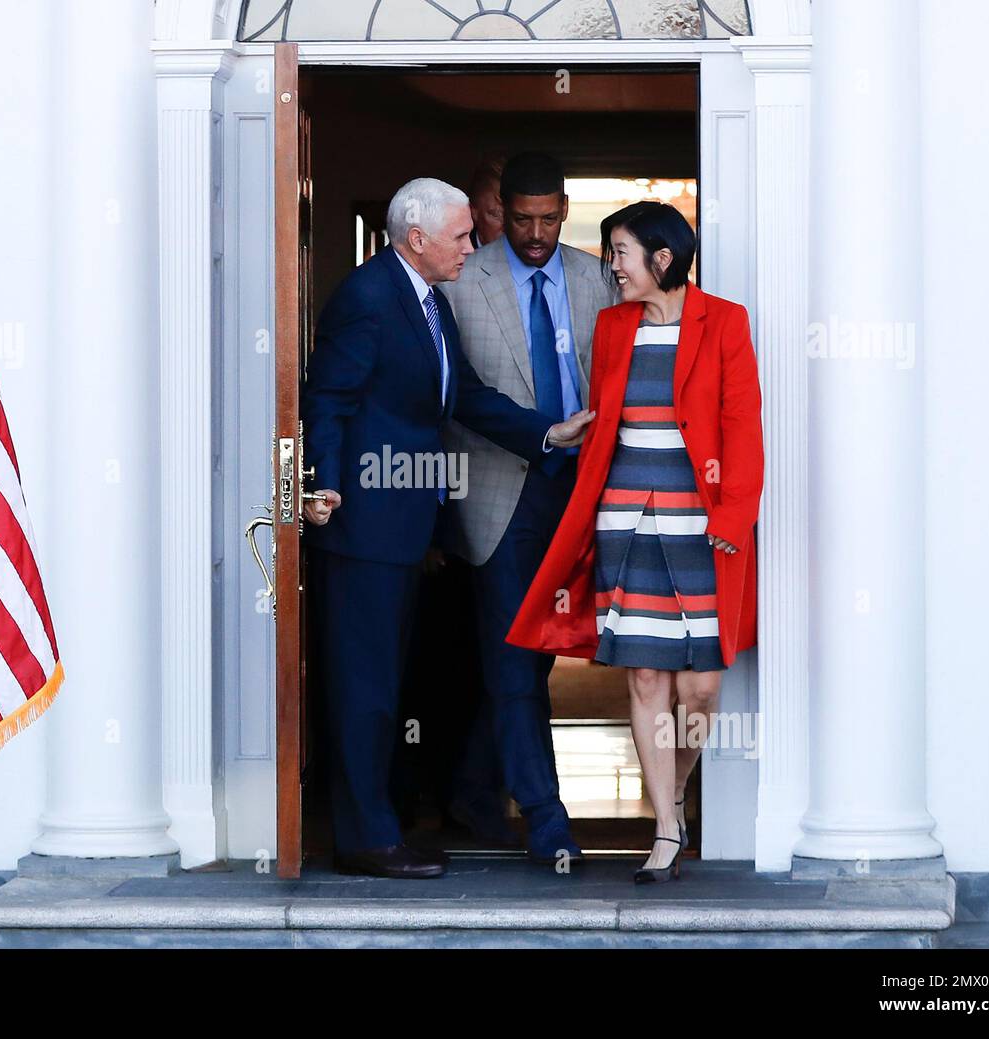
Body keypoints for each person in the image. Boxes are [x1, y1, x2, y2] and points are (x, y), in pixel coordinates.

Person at [301, 177, 593, 879]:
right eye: (463, 235)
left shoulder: (426, 298)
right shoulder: (369, 297)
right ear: (417, 237)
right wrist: (324, 482)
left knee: (388, 680)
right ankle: (365, 838)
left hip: (406, 524)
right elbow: (329, 397)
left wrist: (546, 433)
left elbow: (460, 395)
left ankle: (378, 826)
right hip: (363, 525)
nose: (474, 244)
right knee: (364, 683)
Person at [505, 200, 764, 883]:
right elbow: (610, 417)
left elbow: (742, 425)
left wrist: (734, 518)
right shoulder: (613, 326)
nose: (610, 266)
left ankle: (673, 793)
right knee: (647, 676)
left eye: (619, 252)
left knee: (701, 686)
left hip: (702, 526)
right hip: (627, 518)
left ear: (662, 258)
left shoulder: (725, 322)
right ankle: (667, 827)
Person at [439, 152, 620, 864]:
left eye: (549, 219)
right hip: (499, 491)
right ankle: (546, 815)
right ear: (501, 211)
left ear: (565, 208)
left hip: (583, 491)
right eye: (522, 220)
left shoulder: (595, 277)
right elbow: (452, 396)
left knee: (541, 655)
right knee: (514, 657)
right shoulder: (464, 279)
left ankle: (473, 786)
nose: (536, 233)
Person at [467, 157, 505, 248]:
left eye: (517, 216)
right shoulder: (457, 257)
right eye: (497, 215)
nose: (509, 227)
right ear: (473, 213)